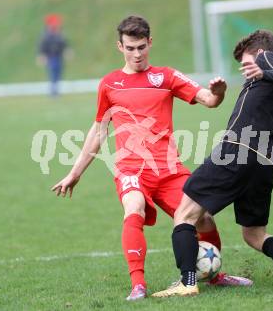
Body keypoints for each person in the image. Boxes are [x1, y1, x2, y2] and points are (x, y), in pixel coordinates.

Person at [51, 15, 253, 302]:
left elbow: (207, 99)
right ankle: (138, 285)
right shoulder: (110, 84)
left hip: (169, 169)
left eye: (142, 47)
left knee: (204, 218)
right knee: (133, 207)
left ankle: (214, 275)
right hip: (131, 169)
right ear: (119, 47)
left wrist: (218, 93)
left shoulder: (166, 76)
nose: (137, 54)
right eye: (130, 48)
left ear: (150, 43)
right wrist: (75, 173)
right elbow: (99, 131)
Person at [152, 29, 273, 298]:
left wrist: (262, 71)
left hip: (238, 150)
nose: (246, 70)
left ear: (261, 54)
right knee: (254, 234)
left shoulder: (268, 60)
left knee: (185, 214)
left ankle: (188, 282)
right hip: (264, 162)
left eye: (247, 62)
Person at [37, 14, 68, 97]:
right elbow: (41, 46)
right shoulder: (45, 35)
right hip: (51, 57)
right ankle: (53, 92)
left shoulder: (59, 34)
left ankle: (56, 91)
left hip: (58, 57)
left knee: (58, 74)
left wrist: (67, 51)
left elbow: (64, 44)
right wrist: (41, 56)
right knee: (53, 74)